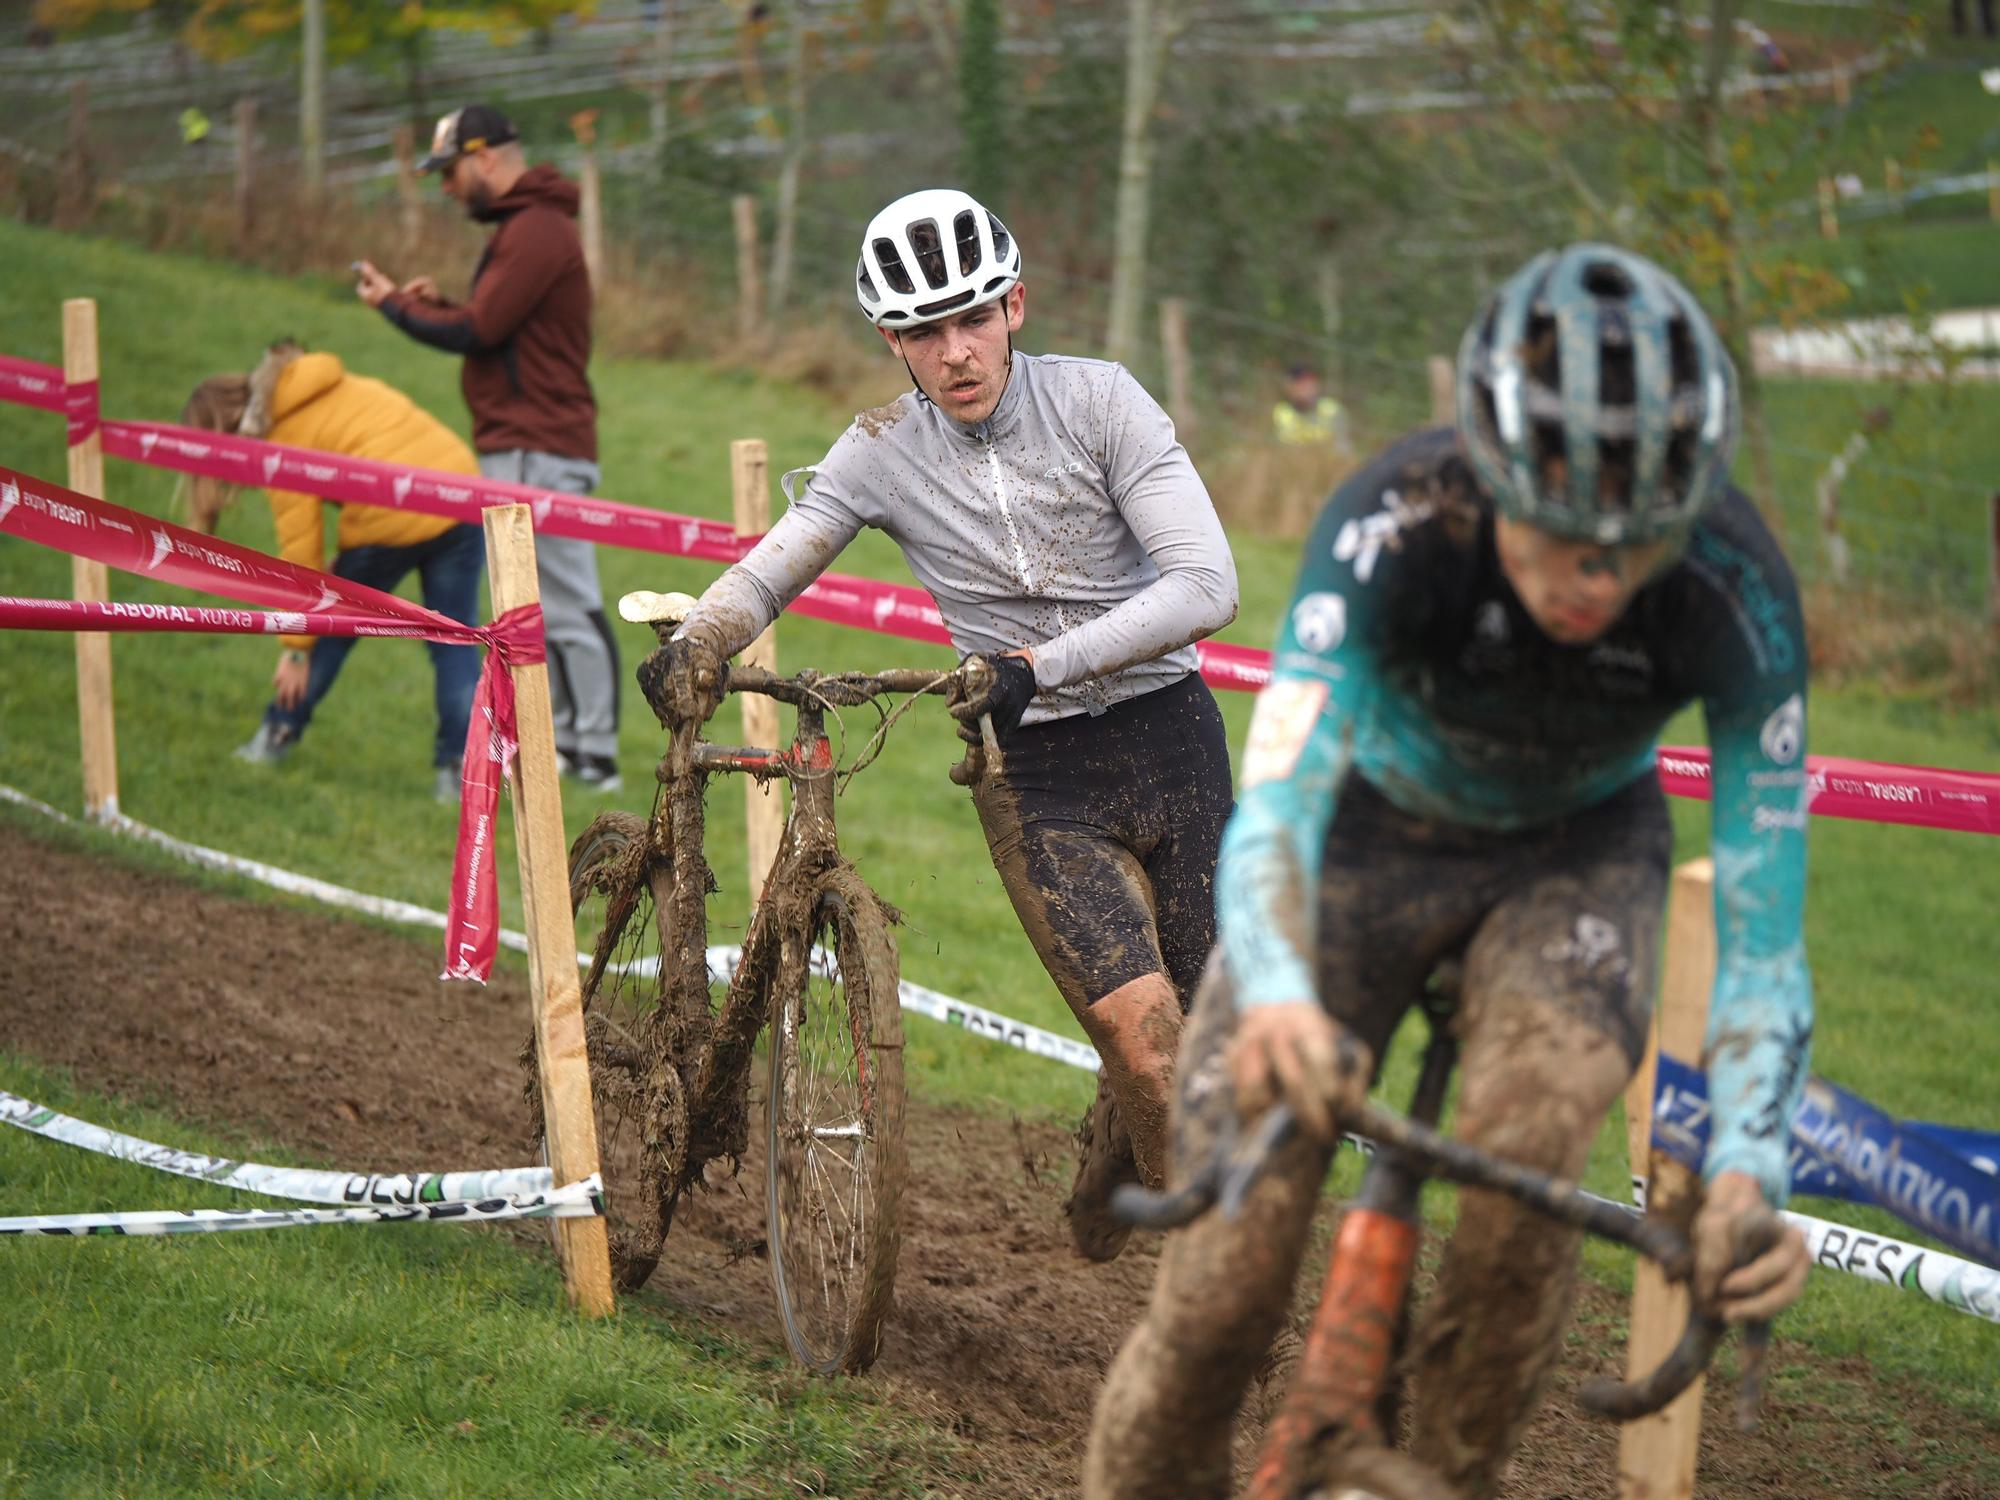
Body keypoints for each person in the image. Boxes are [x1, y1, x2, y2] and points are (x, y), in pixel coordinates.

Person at [1086, 244, 1814, 1499]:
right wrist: (1271, 990)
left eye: (1628, 549)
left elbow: (1762, 922)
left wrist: (1750, 1163)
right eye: (1556, 538)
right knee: (1218, 1292)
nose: (1590, 582)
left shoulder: (1735, 587)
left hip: (1572, 865)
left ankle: (1449, 1474)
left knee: (1525, 1171)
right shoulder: (1397, 520)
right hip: (1367, 835)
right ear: (1489, 477)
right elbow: (1274, 810)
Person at [642, 188, 1240, 1260]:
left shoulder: (1103, 403)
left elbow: (1206, 586)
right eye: (924, 330)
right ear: (891, 340)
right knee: (1151, 1049)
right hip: (1039, 773)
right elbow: (782, 556)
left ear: (1016, 305)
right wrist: (703, 640)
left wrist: (1032, 663)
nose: (954, 351)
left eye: (972, 318)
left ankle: (1124, 1136)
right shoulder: (878, 448)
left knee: (1214, 1060)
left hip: (1172, 739)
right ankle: (1225, 1306)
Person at [353, 103, 623, 793]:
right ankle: (570, 744)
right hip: (524, 442)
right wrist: (434, 303)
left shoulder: (535, 230)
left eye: (449, 171)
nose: (445, 187)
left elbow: (481, 329)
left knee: (563, 596)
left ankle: (596, 753)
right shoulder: (524, 227)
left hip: (540, 444)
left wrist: (396, 305)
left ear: (486, 157)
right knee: (538, 602)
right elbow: (494, 325)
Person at [180, 341, 486, 804]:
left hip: (389, 512)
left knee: (333, 629)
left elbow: (299, 550)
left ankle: (277, 734)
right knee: (454, 641)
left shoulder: (282, 437)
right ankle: (456, 773)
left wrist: (297, 648)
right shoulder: (324, 381)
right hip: (461, 491)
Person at [1270, 362, 1347, 451]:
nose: (1305, 387)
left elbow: (1342, 448)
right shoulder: (1280, 413)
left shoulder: (1332, 411)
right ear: (1288, 387)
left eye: (1309, 382)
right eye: (1299, 382)